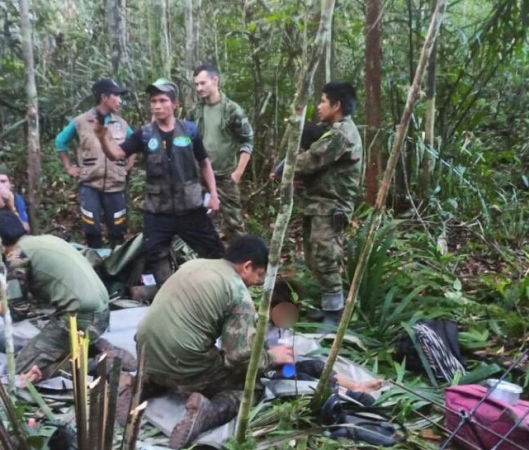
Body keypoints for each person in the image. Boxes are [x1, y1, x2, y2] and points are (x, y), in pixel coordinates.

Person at [121, 236, 295, 449]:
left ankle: (138, 387)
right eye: (259, 274)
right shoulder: (238, 293)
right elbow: (238, 357)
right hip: (183, 362)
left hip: (146, 351)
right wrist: (271, 357)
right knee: (251, 389)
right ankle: (205, 413)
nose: (257, 282)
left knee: (175, 358)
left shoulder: (194, 265)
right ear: (247, 266)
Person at [95, 78, 224, 287]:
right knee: (155, 252)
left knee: (214, 251)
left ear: (175, 104)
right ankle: (169, 292)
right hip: (158, 210)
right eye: (153, 101)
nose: (157, 106)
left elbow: (204, 163)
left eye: (163, 100)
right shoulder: (144, 134)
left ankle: (220, 290)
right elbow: (116, 154)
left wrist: (214, 196)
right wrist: (102, 137)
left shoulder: (190, 130)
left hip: (190, 207)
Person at [0, 212, 113, 381]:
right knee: (39, 352)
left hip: (80, 318)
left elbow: (17, 312)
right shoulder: (45, 240)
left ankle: (94, 365)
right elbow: (45, 287)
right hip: (101, 312)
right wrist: (6, 288)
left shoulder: (17, 255)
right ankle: (87, 349)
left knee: (17, 372)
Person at [293, 82, 363, 330]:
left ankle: (335, 314)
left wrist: (285, 167)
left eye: (323, 101)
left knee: (326, 258)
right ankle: (327, 307)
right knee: (314, 257)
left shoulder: (341, 135)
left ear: (337, 105)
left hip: (331, 206)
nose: (319, 106)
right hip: (318, 204)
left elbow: (310, 160)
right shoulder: (331, 130)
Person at [55, 78, 136, 248]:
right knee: (91, 228)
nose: (120, 100)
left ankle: (117, 265)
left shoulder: (121, 124)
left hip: (115, 185)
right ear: (104, 97)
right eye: (117, 96)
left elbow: (134, 144)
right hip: (90, 184)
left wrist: (128, 166)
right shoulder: (81, 121)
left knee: (118, 228)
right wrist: (69, 167)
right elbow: (60, 142)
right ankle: (94, 263)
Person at [189, 64, 254, 242]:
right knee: (203, 222)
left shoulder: (232, 110)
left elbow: (247, 140)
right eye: (196, 85)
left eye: (202, 83)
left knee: (234, 224)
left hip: (226, 176)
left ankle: (242, 263)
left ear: (215, 80)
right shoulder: (195, 111)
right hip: (201, 177)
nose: (199, 88)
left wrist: (238, 173)